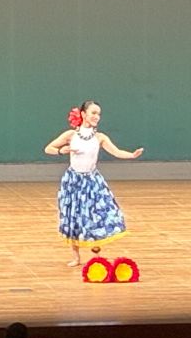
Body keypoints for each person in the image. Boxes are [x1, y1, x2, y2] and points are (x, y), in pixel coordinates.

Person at [44, 100, 143, 266]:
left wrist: (132, 155)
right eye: (93, 113)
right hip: (73, 181)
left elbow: (116, 152)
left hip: (92, 181)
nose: (97, 117)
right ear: (83, 114)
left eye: (99, 114)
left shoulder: (100, 137)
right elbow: (48, 148)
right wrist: (61, 151)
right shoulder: (71, 135)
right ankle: (76, 256)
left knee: (97, 213)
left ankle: (96, 245)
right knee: (73, 216)